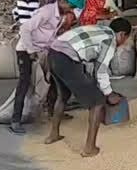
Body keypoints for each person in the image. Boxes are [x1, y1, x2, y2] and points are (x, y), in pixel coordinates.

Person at [45, 18, 132, 157]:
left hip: (52, 54)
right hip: (67, 59)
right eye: (125, 38)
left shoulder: (99, 29)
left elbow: (91, 62)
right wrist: (109, 93)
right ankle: (89, 148)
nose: (123, 42)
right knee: (97, 102)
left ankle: (53, 135)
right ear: (121, 34)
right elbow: (101, 69)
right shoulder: (110, 40)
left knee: (62, 96)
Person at [10, 0, 76, 134]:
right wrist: (31, 51)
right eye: (71, 6)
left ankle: (53, 112)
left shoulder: (61, 15)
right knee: (25, 83)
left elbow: (51, 36)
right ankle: (16, 120)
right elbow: (25, 29)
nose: (72, 10)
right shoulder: (46, 12)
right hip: (26, 50)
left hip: (42, 50)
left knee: (53, 80)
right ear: (63, 2)